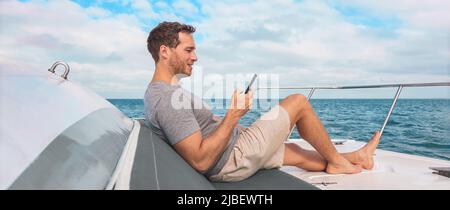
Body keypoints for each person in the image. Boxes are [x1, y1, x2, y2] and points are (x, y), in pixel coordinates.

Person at [144, 21, 381, 182]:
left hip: (231, 151)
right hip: (231, 159)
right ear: (164, 51)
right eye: (188, 50)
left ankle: (354, 159)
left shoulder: (163, 92)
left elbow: (199, 136)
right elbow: (201, 161)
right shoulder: (168, 98)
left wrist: (233, 124)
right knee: (297, 102)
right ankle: (341, 163)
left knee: (295, 152)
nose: (195, 57)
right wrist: (233, 116)